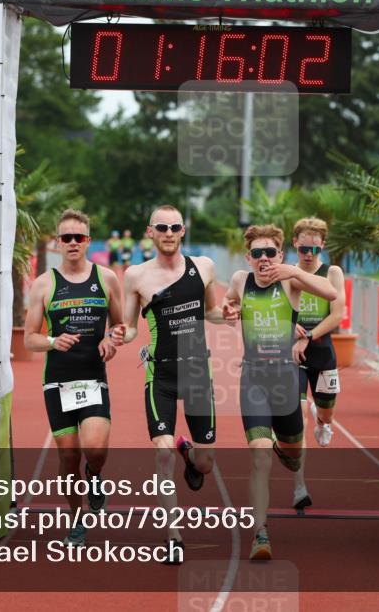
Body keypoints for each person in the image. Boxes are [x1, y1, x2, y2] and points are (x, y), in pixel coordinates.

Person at [113, 204, 228, 563]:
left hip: (197, 373)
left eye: (174, 227)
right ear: (150, 232)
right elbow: (131, 327)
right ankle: (174, 535)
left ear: (182, 231)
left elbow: (211, 311)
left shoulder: (204, 267)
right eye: (161, 227)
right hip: (160, 374)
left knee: (207, 462)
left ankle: (190, 455)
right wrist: (122, 333)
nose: (168, 233)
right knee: (161, 453)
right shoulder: (136, 276)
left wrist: (226, 314)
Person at [222, 224, 337, 560]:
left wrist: (290, 270)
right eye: (257, 253)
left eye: (270, 252)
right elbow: (223, 308)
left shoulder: (290, 279)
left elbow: (330, 294)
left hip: (287, 380)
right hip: (254, 378)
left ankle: (285, 447)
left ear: (280, 255)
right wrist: (227, 312)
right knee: (259, 456)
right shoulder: (240, 282)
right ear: (248, 257)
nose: (264, 259)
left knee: (293, 454)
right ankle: (260, 533)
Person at [24, 209, 123, 547]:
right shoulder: (44, 284)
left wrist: (112, 339)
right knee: (67, 457)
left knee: (94, 449)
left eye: (78, 237)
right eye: (65, 237)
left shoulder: (107, 278)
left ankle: (94, 476)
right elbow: (28, 339)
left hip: (93, 378)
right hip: (58, 381)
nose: (72, 243)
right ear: (56, 243)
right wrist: (53, 340)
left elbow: (120, 326)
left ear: (88, 242)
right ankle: (76, 519)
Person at [288, 218, 346, 511]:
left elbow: (337, 315)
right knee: (298, 419)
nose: (308, 254)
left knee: (326, 414)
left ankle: (322, 419)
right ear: (294, 244)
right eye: (302, 248)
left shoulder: (332, 272)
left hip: (323, 354)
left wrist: (308, 335)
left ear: (322, 245)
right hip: (294, 355)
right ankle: (299, 486)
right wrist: (293, 333)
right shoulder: (290, 273)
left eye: (314, 248)